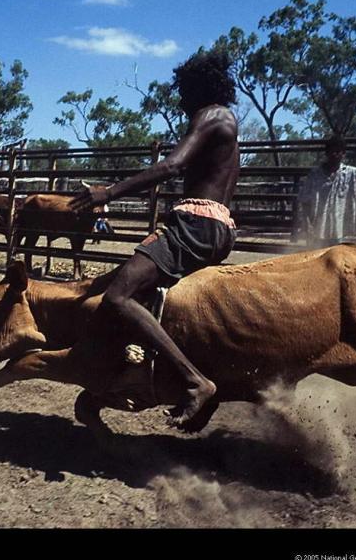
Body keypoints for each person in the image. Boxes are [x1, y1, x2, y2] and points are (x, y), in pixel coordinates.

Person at [70, 48, 239, 429]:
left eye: (182, 90)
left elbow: (172, 165)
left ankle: (195, 382)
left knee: (118, 295)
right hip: (218, 227)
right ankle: (149, 367)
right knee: (166, 303)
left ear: (197, 87)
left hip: (195, 225)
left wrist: (109, 192)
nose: (179, 98)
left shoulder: (209, 115)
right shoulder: (228, 124)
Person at [297, 135, 356, 249]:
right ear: (327, 153)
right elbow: (304, 200)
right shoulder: (315, 175)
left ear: (344, 154)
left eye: (339, 151)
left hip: (339, 232)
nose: (336, 154)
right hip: (317, 231)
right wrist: (307, 224)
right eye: (333, 151)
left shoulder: (350, 174)